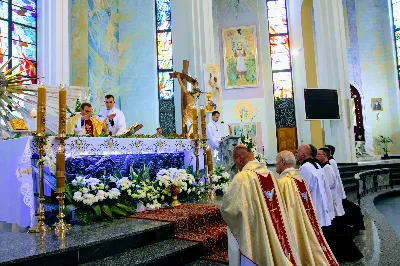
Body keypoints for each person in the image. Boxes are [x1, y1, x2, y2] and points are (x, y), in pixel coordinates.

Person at [221, 145, 300, 266]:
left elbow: (230, 208)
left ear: (239, 159)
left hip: (255, 232)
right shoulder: (271, 174)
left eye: (235, 160)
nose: (236, 164)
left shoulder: (242, 177)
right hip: (274, 225)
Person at [276, 151, 339, 266]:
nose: (276, 166)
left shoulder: (283, 182)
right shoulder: (299, 178)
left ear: (283, 162)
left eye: (276, 163)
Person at [296, 145, 332, 227]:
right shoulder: (316, 164)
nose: (295, 154)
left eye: (297, 152)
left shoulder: (305, 167)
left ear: (303, 155)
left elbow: (305, 189)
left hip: (314, 202)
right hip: (320, 201)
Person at [317, 148, 345, 218]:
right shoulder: (324, 167)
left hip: (331, 198)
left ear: (325, 155)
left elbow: (329, 184)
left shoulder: (327, 168)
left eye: (319, 154)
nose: (317, 156)